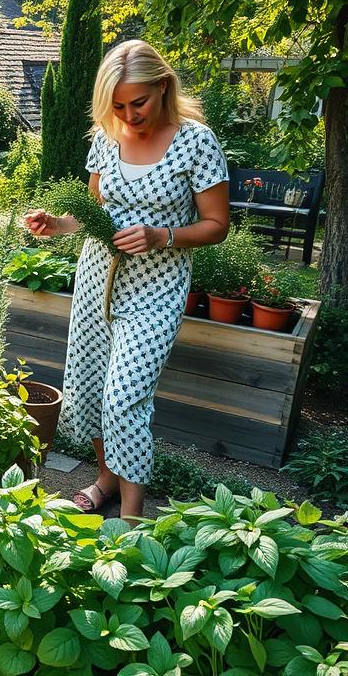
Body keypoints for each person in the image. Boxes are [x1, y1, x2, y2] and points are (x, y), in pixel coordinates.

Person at [24, 41, 230, 520]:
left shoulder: (196, 141)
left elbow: (217, 225)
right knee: (93, 386)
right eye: (117, 105)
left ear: (162, 87)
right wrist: (58, 224)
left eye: (138, 102)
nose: (128, 115)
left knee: (125, 396)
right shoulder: (106, 138)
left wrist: (164, 235)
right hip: (98, 280)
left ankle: (132, 514)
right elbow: (96, 216)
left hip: (157, 288)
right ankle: (104, 480)